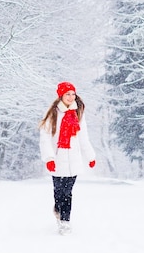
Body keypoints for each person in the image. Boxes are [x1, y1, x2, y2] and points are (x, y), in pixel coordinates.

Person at [39, 81, 96, 235]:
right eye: (67, 94)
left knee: (68, 192)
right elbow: (45, 137)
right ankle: (58, 209)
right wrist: (49, 158)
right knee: (59, 192)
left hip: (74, 160)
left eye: (73, 94)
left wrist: (90, 156)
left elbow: (83, 136)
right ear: (61, 96)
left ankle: (65, 221)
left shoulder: (78, 113)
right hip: (57, 160)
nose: (71, 97)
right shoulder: (52, 113)